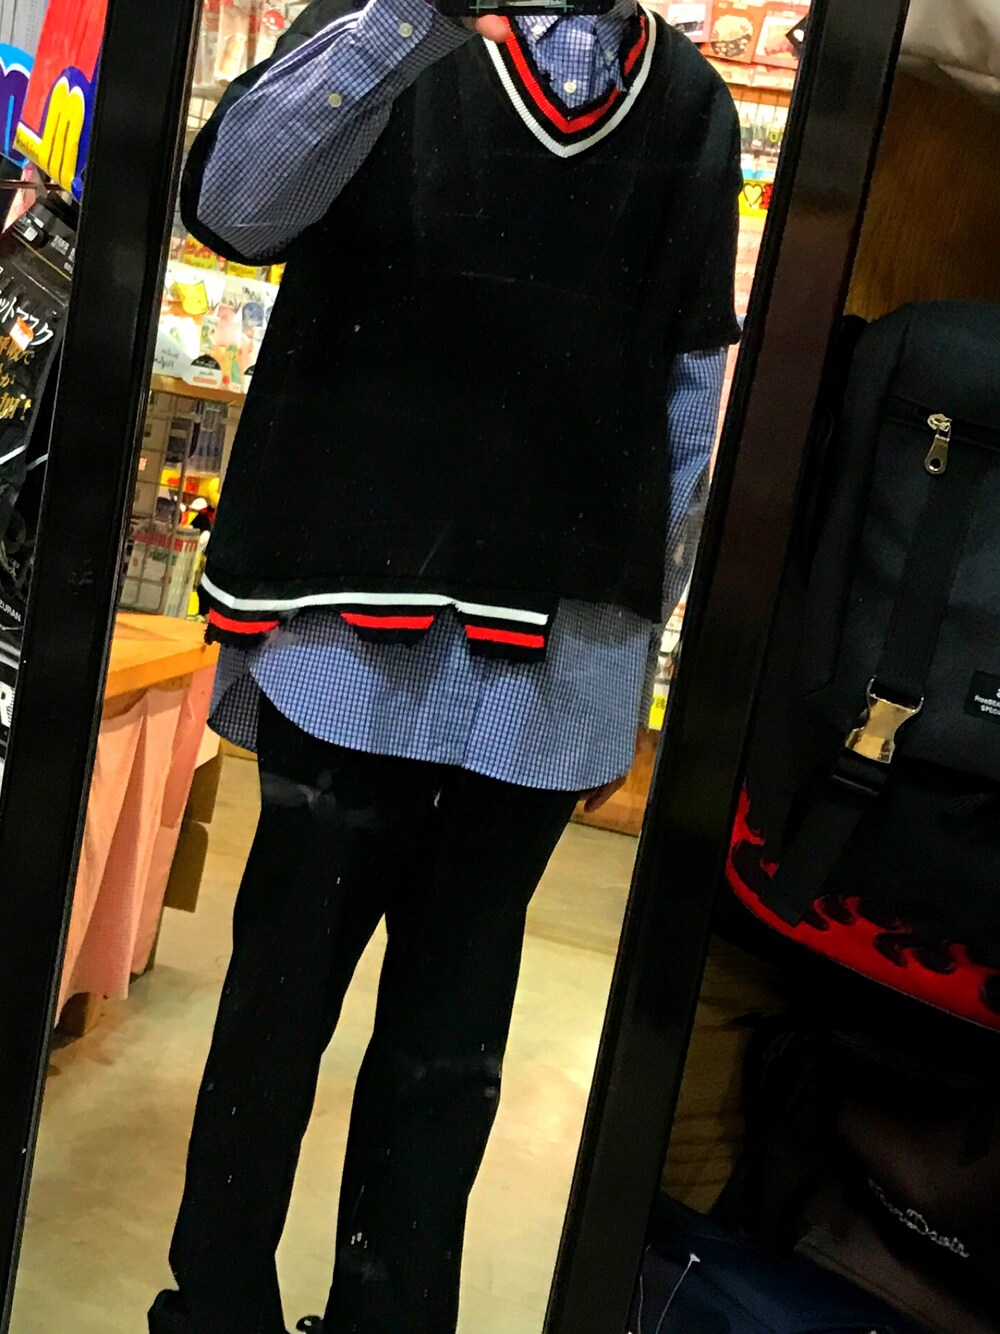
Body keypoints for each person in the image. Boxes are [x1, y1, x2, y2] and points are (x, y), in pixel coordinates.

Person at [150, 0, 740, 1329]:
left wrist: (629, 640)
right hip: (356, 622)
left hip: (540, 658)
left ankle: (377, 1315)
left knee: (445, 1047)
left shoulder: (689, 102)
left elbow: (689, 389)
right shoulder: (385, 31)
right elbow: (234, 210)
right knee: (284, 1014)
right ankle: (218, 1304)